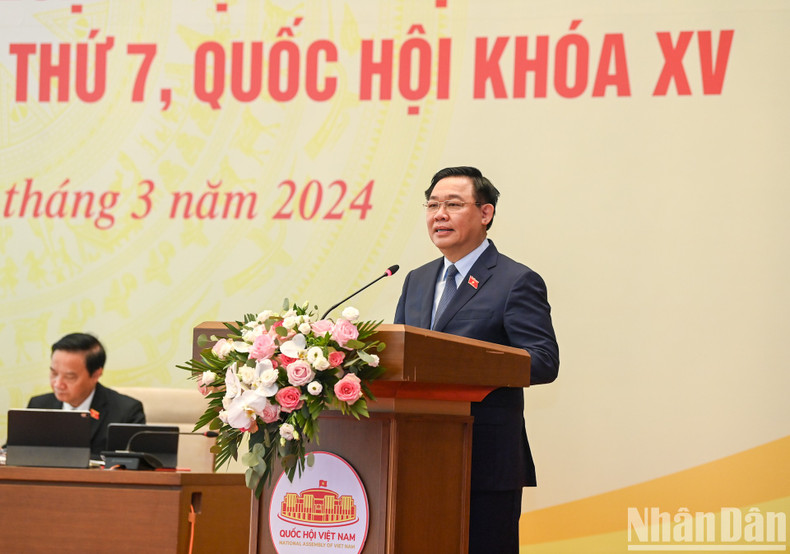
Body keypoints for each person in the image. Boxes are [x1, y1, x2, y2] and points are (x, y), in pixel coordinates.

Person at [394, 166, 560, 553]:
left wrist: (463, 363)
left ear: (485, 213)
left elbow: (543, 360)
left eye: (453, 204)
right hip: (416, 456)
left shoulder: (515, 280)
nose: (439, 214)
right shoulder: (416, 280)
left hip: (484, 461)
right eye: (432, 205)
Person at [26, 332, 146, 459]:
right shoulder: (38, 405)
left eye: (69, 377)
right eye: (54, 373)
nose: (58, 384)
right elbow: (12, 452)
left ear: (96, 374)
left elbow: (135, 465)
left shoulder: (126, 412)